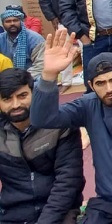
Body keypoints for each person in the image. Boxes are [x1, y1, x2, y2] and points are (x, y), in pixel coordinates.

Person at [31, 30, 112, 223]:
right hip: (105, 199)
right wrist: (49, 75)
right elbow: (43, 119)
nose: (109, 89)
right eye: (101, 83)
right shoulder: (88, 105)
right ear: (91, 85)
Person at [0, 68, 84, 224]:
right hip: (13, 213)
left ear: (34, 94)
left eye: (22, 96)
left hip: (59, 212)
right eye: (7, 99)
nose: (16, 104)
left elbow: (68, 181)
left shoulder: (60, 125)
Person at [0, 6, 46, 79]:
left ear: (21, 22)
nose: (12, 23)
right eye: (8, 21)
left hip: (32, 78)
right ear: (3, 24)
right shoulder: (1, 38)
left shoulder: (35, 39)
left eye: (15, 20)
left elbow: (40, 65)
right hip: (7, 79)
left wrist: (21, 79)